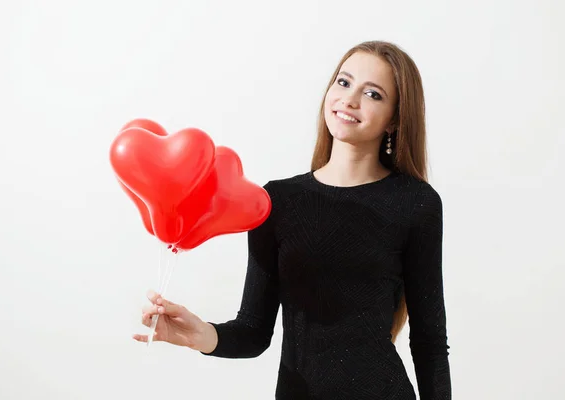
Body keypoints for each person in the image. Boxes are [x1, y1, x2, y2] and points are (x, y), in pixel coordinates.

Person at [133, 40, 452, 399]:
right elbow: (254, 331)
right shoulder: (277, 201)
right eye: (344, 83)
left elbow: (429, 340)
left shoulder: (415, 203)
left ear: (394, 119)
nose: (349, 99)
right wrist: (200, 334)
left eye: (373, 94)